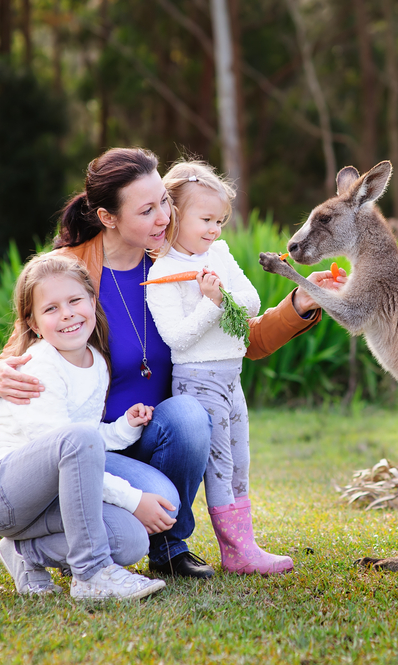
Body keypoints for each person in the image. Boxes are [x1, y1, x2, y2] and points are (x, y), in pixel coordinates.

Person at [0, 147, 343, 578]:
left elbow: (244, 340)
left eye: (164, 202)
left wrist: (299, 300)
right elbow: (20, 355)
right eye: (147, 210)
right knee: (135, 524)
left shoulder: (176, 263)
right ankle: (53, 541)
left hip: (152, 431)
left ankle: (169, 548)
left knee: (189, 415)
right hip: (93, 444)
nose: (164, 218)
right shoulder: (71, 272)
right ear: (109, 218)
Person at [0, 253, 168, 600]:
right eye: (51, 309)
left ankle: (24, 553)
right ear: (32, 322)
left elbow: (84, 447)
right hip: (1, 492)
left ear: (92, 300)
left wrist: (124, 428)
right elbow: (70, 443)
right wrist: (133, 498)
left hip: (50, 500)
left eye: (75, 300)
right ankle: (91, 574)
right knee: (84, 447)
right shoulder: (39, 366)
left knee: (130, 538)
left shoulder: (95, 362)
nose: (68, 314)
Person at [145, 160, 289, 574]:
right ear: (173, 216)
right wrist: (211, 303)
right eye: (206, 219)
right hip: (197, 380)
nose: (215, 230)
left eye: (221, 221)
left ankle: (241, 548)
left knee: (240, 458)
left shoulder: (219, 254)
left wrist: (219, 295)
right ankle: (238, 551)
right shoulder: (164, 274)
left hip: (232, 375)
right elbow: (178, 338)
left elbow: (252, 301)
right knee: (220, 463)